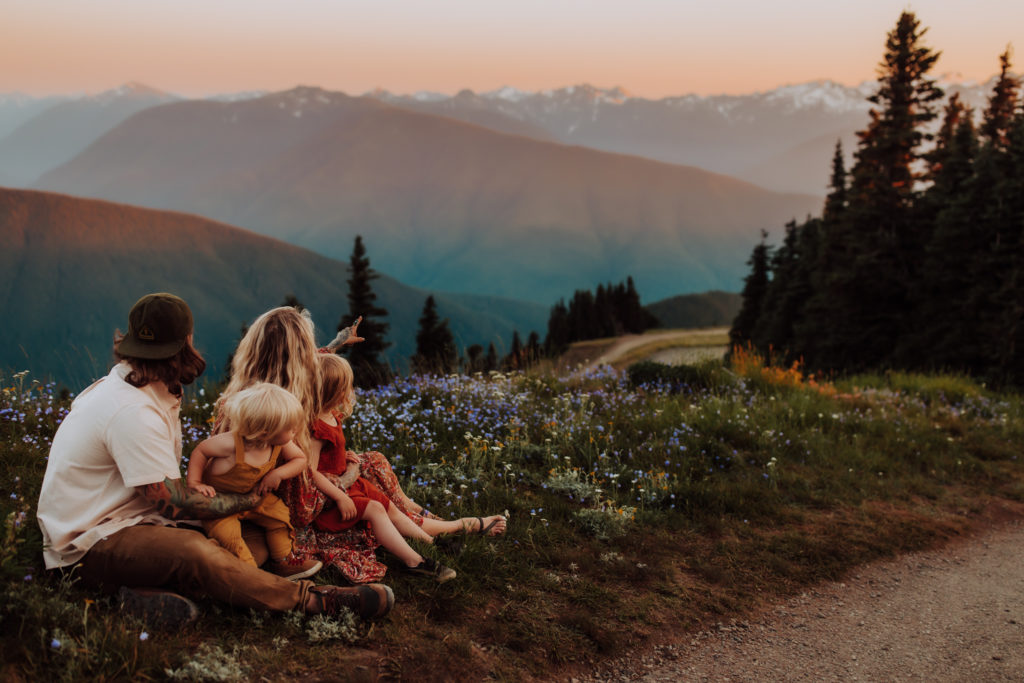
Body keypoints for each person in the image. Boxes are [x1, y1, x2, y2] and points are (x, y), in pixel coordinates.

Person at [36, 293, 393, 626]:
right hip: (89, 543)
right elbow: (169, 501)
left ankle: (141, 595)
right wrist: (244, 500)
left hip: (136, 521)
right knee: (197, 550)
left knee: (248, 534)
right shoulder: (132, 411)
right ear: (186, 342)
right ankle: (315, 602)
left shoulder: (139, 387)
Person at [215, 306, 506, 584]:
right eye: (305, 346)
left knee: (374, 463)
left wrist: (338, 342)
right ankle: (451, 529)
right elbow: (302, 490)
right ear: (297, 354)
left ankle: (431, 524)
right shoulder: (278, 406)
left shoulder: (251, 392)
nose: (310, 354)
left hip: (303, 481)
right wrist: (346, 479)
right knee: (369, 473)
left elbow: (311, 362)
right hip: (298, 496)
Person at [311, 354, 468, 581]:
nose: (349, 390)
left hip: (350, 484)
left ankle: (433, 543)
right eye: (346, 386)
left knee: (389, 507)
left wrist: (342, 456)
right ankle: (415, 562)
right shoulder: (317, 426)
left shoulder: (332, 416)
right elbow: (310, 470)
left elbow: (328, 454)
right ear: (332, 390)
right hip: (332, 497)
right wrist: (340, 497)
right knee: (375, 509)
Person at [185, 383, 321, 579]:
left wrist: (277, 474)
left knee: (280, 516)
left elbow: (300, 460)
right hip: (219, 503)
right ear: (265, 432)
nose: (296, 430)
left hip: (254, 497)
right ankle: (250, 576)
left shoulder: (279, 443)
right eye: (291, 428)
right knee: (230, 538)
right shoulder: (231, 444)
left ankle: (283, 562)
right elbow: (201, 451)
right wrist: (195, 482)